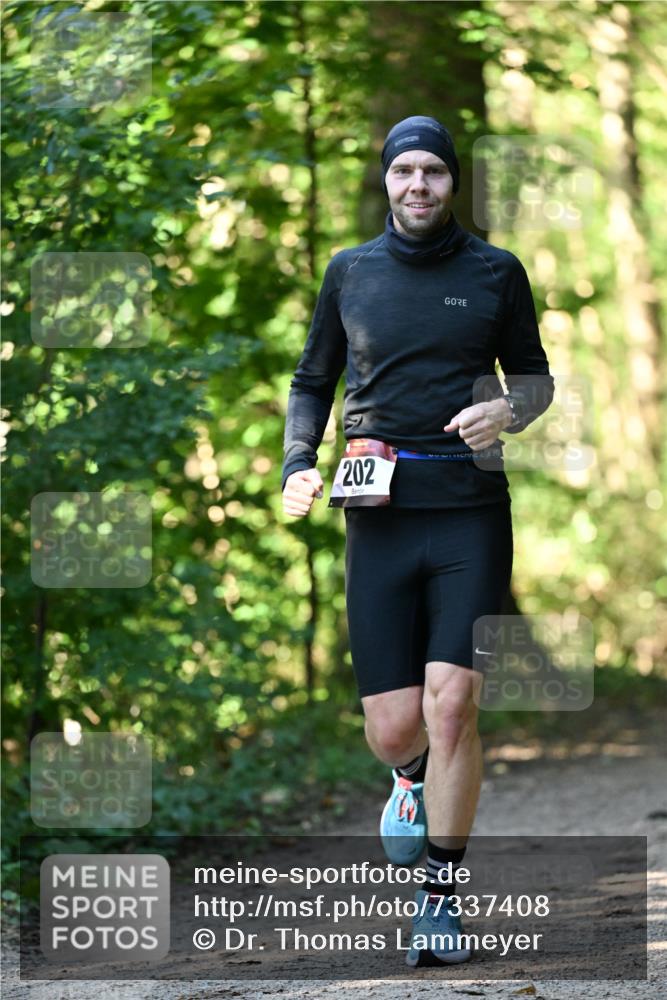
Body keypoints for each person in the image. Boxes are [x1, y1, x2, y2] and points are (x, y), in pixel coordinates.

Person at [281, 115, 554, 967]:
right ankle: (405, 778)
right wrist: (297, 463)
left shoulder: (495, 272)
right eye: (404, 171)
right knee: (396, 729)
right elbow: (311, 379)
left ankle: (438, 898)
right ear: (387, 179)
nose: (418, 185)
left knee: (452, 705)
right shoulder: (350, 271)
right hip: (379, 515)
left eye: (433, 171)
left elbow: (536, 378)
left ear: (452, 181)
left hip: (470, 509)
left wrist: (507, 408)